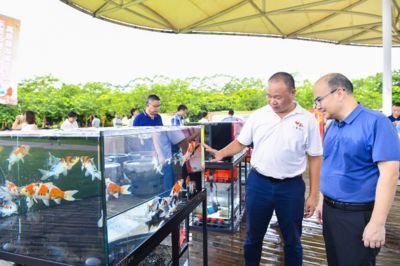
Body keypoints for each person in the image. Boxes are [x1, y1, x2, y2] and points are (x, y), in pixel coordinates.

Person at [205, 72, 323, 266]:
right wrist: (221, 153)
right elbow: (240, 142)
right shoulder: (259, 115)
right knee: (253, 237)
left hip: (291, 187)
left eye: (278, 96)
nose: (272, 101)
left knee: (293, 239)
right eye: (269, 95)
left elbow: (315, 157)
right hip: (259, 183)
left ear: (293, 93)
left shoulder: (307, 119)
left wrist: (313, 194)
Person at [313, 73, 400, 266]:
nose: (317, 106)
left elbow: (390, 175)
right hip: (330, 211)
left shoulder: (376, 122)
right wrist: (322, 200)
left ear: (340, 93)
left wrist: (377, 223)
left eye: (319, 99)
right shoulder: (332, 126)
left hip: (357, 216)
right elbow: (329, 164)